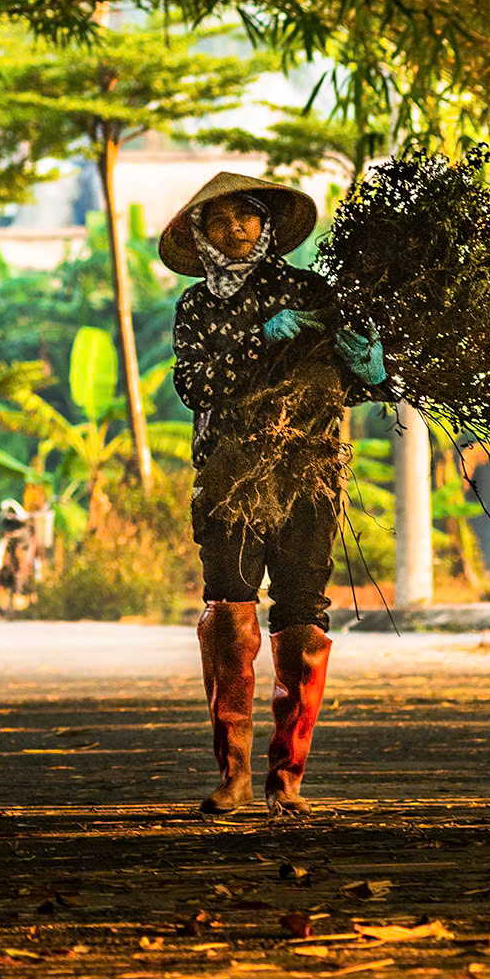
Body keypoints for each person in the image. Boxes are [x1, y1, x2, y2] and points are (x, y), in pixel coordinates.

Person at [160, 171, 383, 817]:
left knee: (302, 619)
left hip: (307, 471)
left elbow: (351, 381)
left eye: (245, 216)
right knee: (229, 614)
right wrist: (259, 339)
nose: (235, 229)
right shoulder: (198, 308)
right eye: (220, 220)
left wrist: (372, 364)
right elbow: (195, 386)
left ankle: (287, 780)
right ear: (201, 234)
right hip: (230, 478)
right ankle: (231, 777)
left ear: (266, 223)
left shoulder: (311, 293)